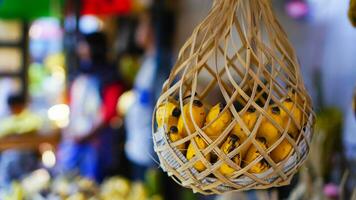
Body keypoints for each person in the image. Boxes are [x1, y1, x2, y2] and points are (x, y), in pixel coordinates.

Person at [57, 32, 124, 182]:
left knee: (92, 184)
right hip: (76, 140)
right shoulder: (80, 73)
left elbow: (110, 112)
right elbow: (72, 104)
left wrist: (87, 135)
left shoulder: (109, 75)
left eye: (84, 45)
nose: (80, 49)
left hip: (98, 143)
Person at [0, 94, 41, 188]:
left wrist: (14, 129)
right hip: (10, 156)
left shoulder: (31, 117)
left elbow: (32, 125)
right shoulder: (7, 119)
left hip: (29, 155)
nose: (14, 109)